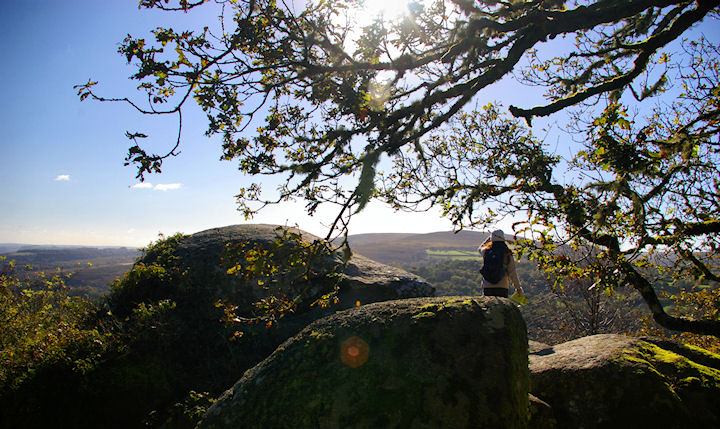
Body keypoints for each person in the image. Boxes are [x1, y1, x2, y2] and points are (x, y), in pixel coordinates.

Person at [478, 229, 525, 298]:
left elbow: (480, 248)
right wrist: (518, 288)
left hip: (487, 286)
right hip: (502, 286)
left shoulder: (486, 251)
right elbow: (512, 272)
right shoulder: (507, 253)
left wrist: (489, 239)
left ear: (492, 239)